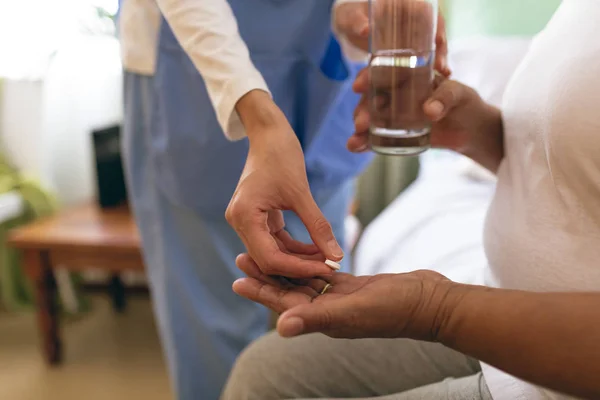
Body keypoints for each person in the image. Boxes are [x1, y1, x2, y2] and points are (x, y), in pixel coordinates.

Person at [223, 0, 600, 399]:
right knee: (266, 372)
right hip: (510, 311)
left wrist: (437, 309)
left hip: (565, 369)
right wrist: (479, 133)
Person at [117, 0, 419, 398]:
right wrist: (257, 117)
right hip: (194, 61)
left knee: (319, 312)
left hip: (324, 58)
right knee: (210, 333)